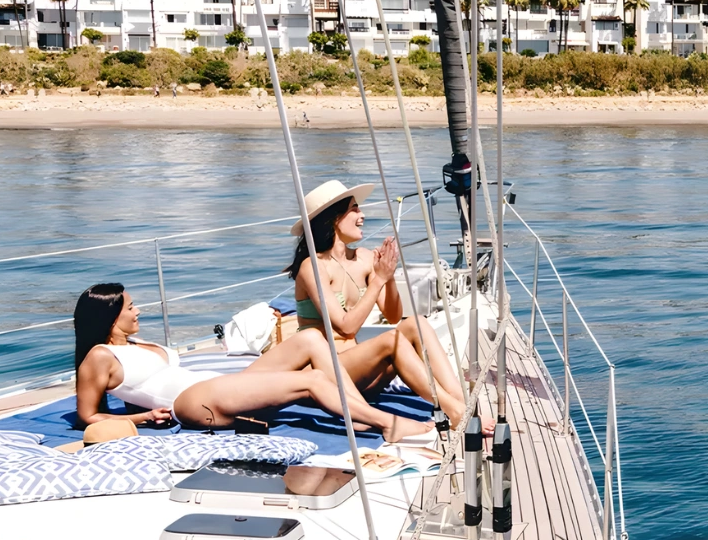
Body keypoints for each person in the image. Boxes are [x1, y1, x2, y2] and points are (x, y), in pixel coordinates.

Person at [72, 283, 428, 445]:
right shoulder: (100, 357)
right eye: (130, 307)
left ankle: (358, 413)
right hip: (193, 402)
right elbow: (89, 415)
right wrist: (144, 418)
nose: (138, 311)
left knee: (309, 340)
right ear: (110, 314)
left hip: (213, 387)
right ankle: (387, 424)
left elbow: (140, 386)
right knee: (311, 381)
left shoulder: (135, 344)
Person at [261, 179, 466, 425]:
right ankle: (453, 411)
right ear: (333, 218)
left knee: (417, 323)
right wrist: (378, 281)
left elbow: (392, 316)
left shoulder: (364, 258)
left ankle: (461, 402)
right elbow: (345, 327)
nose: (362, 215)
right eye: (354, 209)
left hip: (359, 373)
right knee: (391, 339)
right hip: (325, 372)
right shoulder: (312, 266)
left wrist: (387, 277)